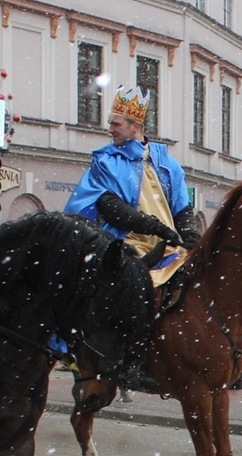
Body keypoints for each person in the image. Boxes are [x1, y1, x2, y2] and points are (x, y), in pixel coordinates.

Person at [64, 85, 200, 391]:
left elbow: (181, 206)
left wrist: (189, 233)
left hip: (167, 243)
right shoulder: (105, 162)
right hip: (124, 242)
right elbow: (111, 207)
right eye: (111, 123)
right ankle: (133, 361)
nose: (109, 129)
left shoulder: (166, 163)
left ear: (135, 127)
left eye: (115, 123)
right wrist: (155, 227)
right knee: (140, 286)